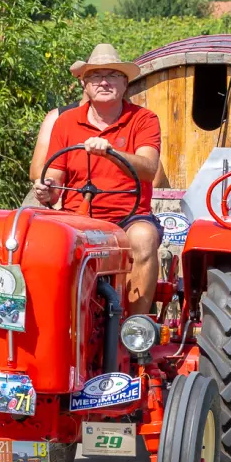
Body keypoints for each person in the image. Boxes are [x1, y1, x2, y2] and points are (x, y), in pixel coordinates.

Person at [34, 44, 161, 315]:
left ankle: (132, 331)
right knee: (33, 240)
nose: (104, 82)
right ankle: (50, 322)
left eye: (113, 75)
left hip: (129, 217)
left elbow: (149, 168)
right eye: (95, 76)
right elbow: (55, 181)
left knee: (144, 238)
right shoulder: (66, 122)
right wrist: (46, 191)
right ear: (85, 84)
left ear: (125, 83)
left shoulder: (144, 120)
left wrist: (112, 153)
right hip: (75, 217)